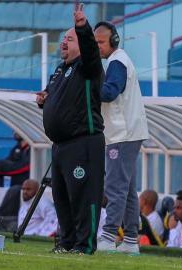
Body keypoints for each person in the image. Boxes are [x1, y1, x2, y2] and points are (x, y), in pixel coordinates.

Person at [36, 3, 105, 255]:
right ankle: (66, 243)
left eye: (69, 39)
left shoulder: (88, 67)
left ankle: (84, 246)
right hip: (60, 146)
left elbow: (90, 50)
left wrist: (82, 27)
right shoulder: (59, 70)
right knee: (62, 198)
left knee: (83, 196)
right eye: (63, 39)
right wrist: (44, 99)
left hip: (83, 143)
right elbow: (57, 101)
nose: (63, 43)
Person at [94, 21, 149, 254]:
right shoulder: (120, 60)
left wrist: (88, 86)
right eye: (94, 42)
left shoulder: (117, 62)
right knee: (126, 190)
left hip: (122, 133)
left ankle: (107, 237)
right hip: (128, 132)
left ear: (113, 41)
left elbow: (109, 92)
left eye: (101, 42)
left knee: (115, 187)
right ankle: (130, 240)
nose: (98, 47)